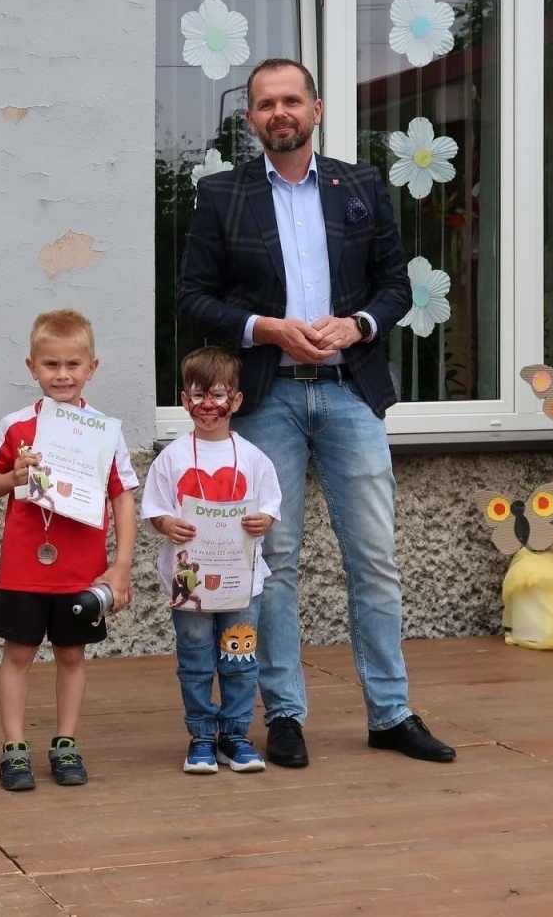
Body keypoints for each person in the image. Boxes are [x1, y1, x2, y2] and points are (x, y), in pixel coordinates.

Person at [177, 58, 455, 767]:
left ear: (316, 109)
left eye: (291, 100)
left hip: (348, 391)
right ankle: (286, 716)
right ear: (251, 120)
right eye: (266, 103)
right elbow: (193, 300)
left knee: (376, 560)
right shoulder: (220, 194)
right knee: (273, 561)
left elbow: (396, 285)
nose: (280, 113)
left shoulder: (359, 184)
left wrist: (359, 322)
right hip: (267, 397)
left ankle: (390, 714)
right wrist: (265, 327)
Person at [0, 308, 137, 791]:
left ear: (92, 368)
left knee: (72, 656)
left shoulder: (106, 430)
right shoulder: (15, 425)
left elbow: (123, 494)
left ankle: (65, 742)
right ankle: (13, 747)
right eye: (51, 365)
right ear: (32, 367)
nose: (62, 375)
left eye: (73, 365)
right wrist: (14, 477)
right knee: (18, 655)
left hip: (80, 572)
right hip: (25, 569)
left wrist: (122, 564)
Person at [141, 346, 282, 774]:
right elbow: (153, 509)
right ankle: (201, 735)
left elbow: (272, 506)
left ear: (236, 401)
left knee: (240, 657)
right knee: (197, 658)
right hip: (191, 582)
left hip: (242, 581)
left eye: (218, 395)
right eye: (198, 395)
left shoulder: (254, 458)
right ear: (185, 400)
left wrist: (263, 521)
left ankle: (235, 735)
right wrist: (168, 525)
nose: (208, 405)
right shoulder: (173, 457)